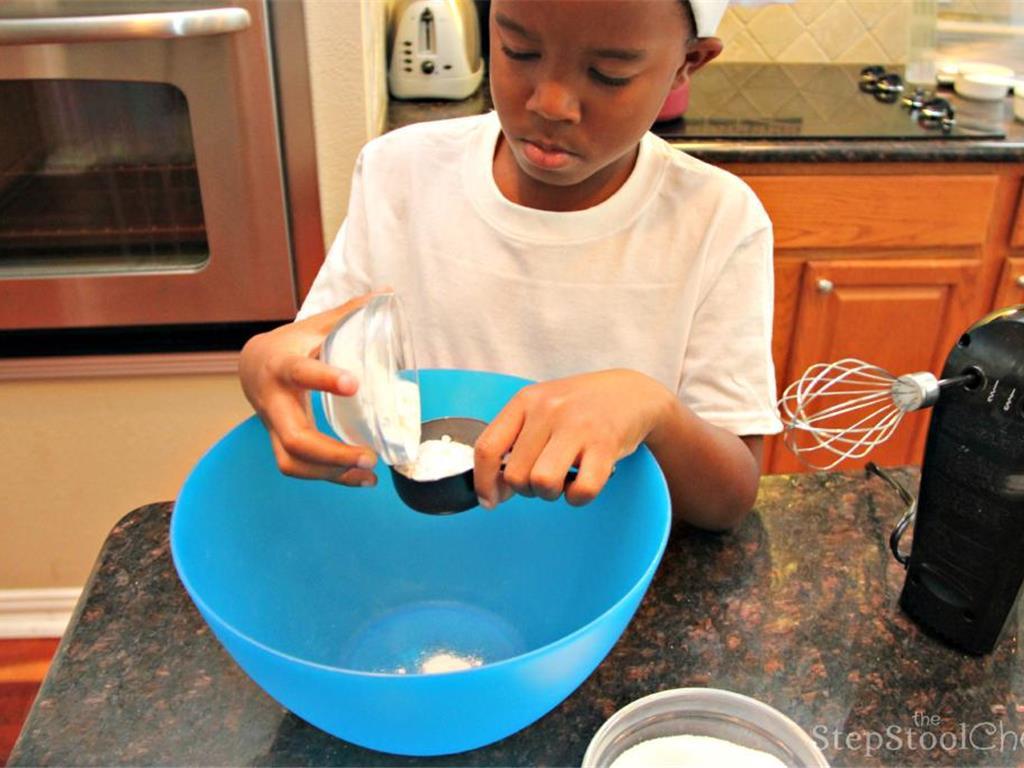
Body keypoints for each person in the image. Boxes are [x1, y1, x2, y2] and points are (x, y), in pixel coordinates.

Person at [239, 0, 782, 531]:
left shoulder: (716, 220)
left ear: (688, 64)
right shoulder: (400, 173)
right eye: (518, 50)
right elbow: (323, 359)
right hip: (422, 547)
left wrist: (655, 409)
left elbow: (729, 499)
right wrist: (264, 364)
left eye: (608, 74)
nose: (549, 103)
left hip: (603, 556)